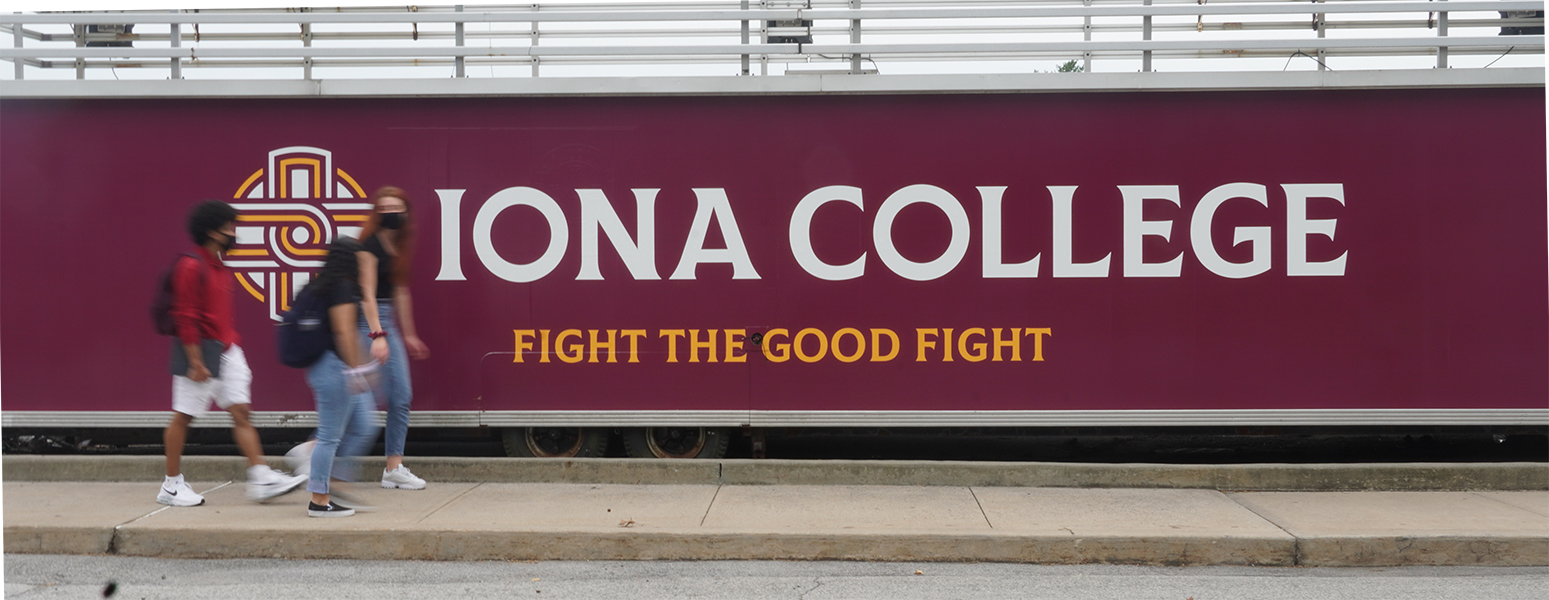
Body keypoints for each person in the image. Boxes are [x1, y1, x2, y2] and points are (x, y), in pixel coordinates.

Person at [160, 200, 306, 507]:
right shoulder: (191, 266)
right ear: (212, 231)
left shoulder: (221, 265)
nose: (233, 232)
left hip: (228, 349)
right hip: (201, 353)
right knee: (183, 417)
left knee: (241, 412)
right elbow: (185, 317)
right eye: (229, 227)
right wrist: (196, 362)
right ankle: (171, 485)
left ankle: (261, 475)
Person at [301, 238, 382, 518]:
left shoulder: (326, 284)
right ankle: (319, 500)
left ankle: (330, 483)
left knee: (363, 424)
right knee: (329, 438)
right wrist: (359, 370)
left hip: (331, 366)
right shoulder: (342, 288)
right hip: (336, 368)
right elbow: (345, 333)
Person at [357, 186, 430, 490]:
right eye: (383, 209)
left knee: (400, 397)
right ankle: (313, 454)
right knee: (361, 401)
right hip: (367, 323)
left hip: (389, 326)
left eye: (395, 208)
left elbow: (400, 292)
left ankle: (393, 468)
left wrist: (409, 335)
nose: (390, 214)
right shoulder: (369, 246)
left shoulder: (398, 245)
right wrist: (377, 335)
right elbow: (367, 295)